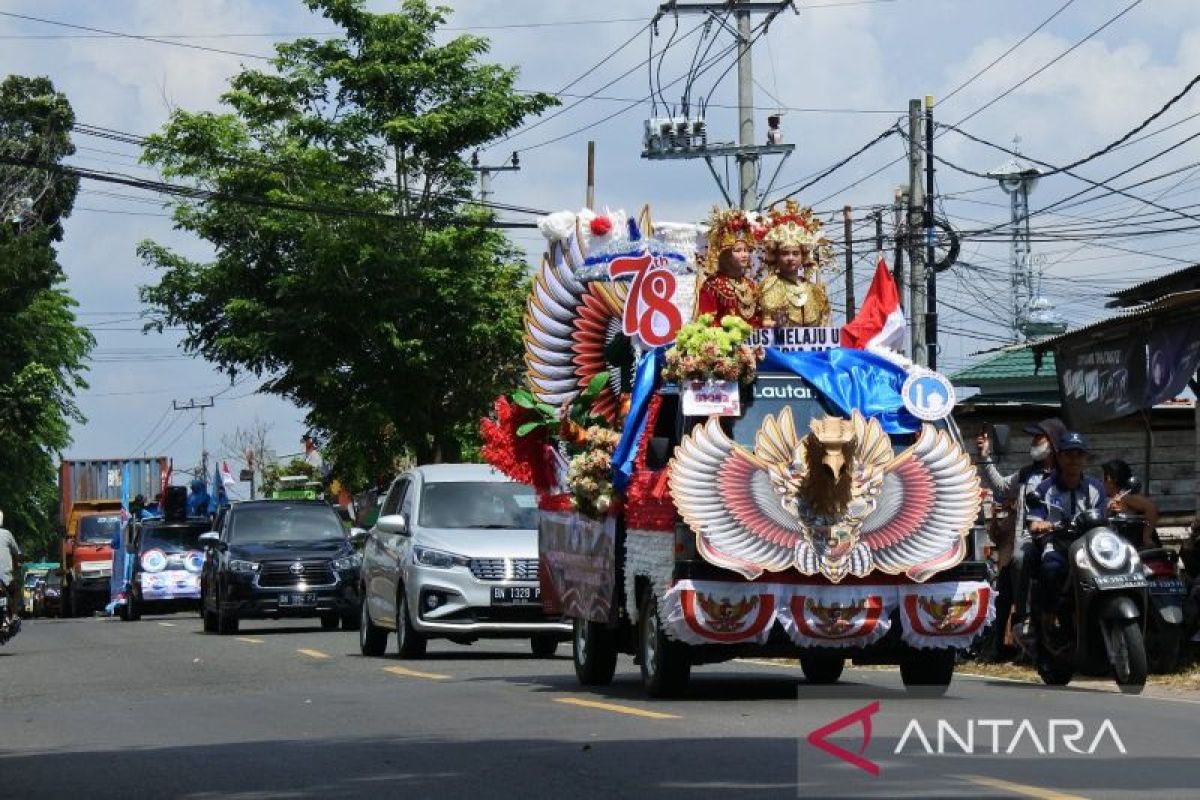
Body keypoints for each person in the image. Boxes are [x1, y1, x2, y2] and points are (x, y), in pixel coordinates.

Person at [975, 417, 1065, 657]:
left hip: (1061, 537)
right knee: (1017, 558)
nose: (1033, 443)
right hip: (1029, 537)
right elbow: (1002, 488)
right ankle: (1024, 620)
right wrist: (985, 457)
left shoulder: (1066, 474)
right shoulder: (1026, 474)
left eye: (1039, 438)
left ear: (1054, 443)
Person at [1027, 432, 1108, 630]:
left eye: (1079, 454)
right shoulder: (1045, 488)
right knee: (1050, 571)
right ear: (1059, 457)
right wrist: (1043, 525)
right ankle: (1046, 626)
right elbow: (1034, 523)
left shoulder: (1096, 487)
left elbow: (1103, 517)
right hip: (1058, 545)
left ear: (1085, 458)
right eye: (1069, 454)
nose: (1074, 459)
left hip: (1090, 547)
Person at [758, 211, 832, 328]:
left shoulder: (813, 289)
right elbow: (761, 322)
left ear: (803, 257)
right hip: (779, 345)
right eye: (785, 253)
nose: (790, 258)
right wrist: (776, 325)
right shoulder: (769, 286)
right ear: (776, 257)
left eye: (795, 253)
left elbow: (825, 324)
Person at [697, 207, 760, 326]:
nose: (744, 255)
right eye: (738, 250)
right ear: (724, 255)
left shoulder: (750, 285)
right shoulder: (713, 286)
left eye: (746, 250)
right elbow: (707, 323)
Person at [1100, 458, 1160, 549]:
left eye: (1104, 478)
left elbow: (1151, 508)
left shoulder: (1125, 496)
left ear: (1110, 479)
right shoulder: (1113, 498)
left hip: (1138, 547)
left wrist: (1146, 537)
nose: (1102, 482)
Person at [0, 511, 22, 623]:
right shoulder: (7, 534)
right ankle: (13, 614)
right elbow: (17, 552)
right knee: (16, 590)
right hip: (5, 577)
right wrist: (18, 563)